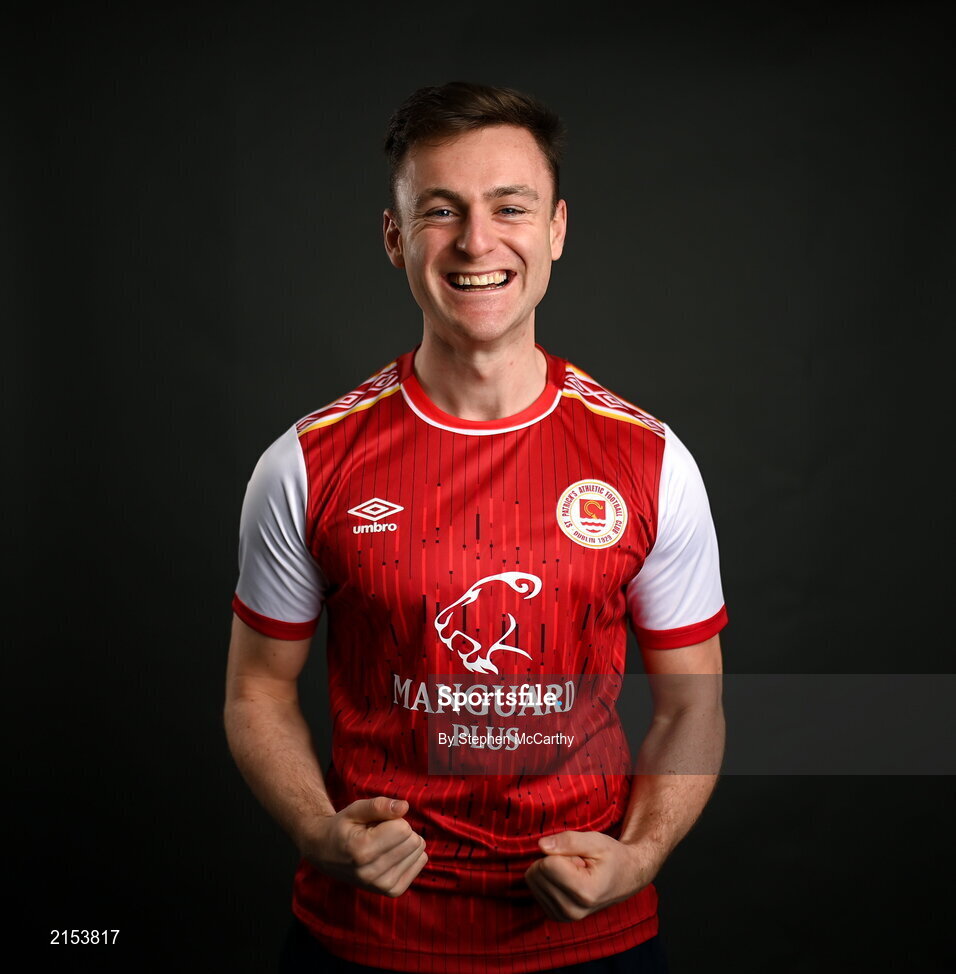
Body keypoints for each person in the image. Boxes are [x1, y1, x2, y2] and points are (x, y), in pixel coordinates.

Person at [225, 81, 727, 974]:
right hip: (365, 940)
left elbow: (694, 702)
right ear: (395, 238)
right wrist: (315, 830)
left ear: (557, 230)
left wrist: (642, 857)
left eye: (510, 207)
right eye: (441, 210)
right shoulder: (306, 463)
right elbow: (257, 691)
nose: (476, 242)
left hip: (589, 941)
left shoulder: (651, 461)